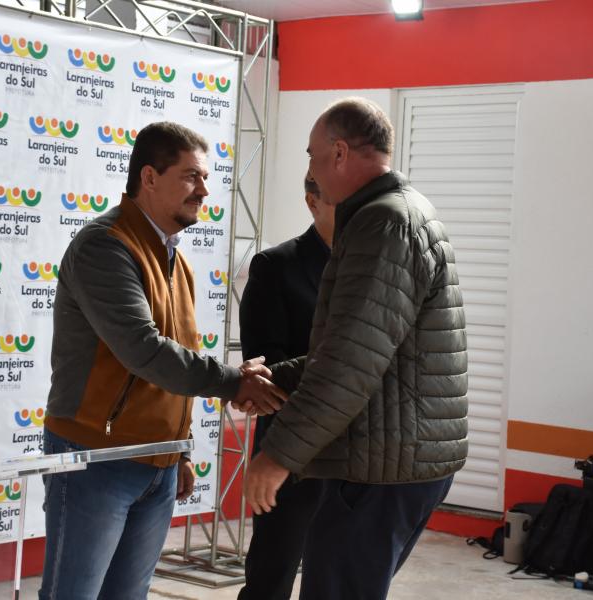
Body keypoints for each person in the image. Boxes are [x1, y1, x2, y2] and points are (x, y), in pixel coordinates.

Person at [39, 121, 286, 600]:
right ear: (149, 177)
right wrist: (235, 382)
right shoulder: (104, 247)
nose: (204, 191)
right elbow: (144, 350)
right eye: (191, 177)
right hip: (96, 458)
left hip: (159, 463)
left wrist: (180, 451)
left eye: (205, 178)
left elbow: (179, 357)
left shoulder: (176, 258)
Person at [245, 98, 469, 600]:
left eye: (312, 156)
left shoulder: (383, 224)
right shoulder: (400, 213)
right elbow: (362, 348)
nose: (311, 170)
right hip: (394, 457)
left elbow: (349, 363)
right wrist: (274, 378)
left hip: (382, 466)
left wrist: (277, 455)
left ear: (340, 152)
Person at [237, 173, 334, 600]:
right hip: (289, 452)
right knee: (271, 579)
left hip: (357, 456)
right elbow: (268, 374)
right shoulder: (276, 266)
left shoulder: (369, 269)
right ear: (312, 202)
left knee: (337, 579)